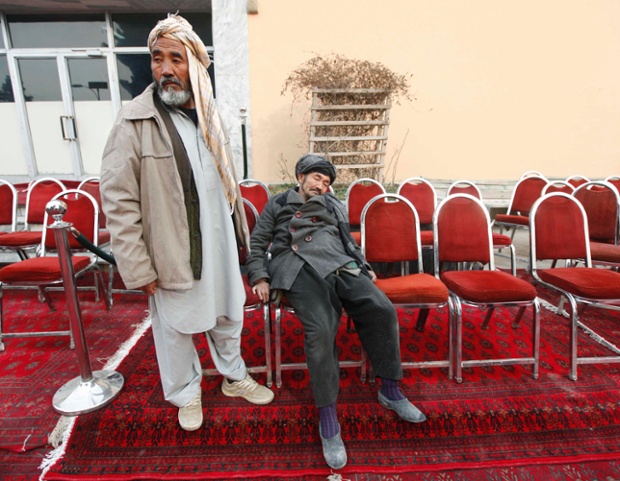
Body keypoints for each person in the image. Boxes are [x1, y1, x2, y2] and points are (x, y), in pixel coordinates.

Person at [100, 14, 274, 433]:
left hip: (220, 245)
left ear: (194, 63)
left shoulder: (214, 116)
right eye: (157, 58)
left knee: (228, 315)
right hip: (172, 252)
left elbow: (228, 187)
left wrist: (240, 242)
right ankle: (186, 392)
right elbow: (119, 200)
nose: (164, 69)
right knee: (176, 328)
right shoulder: (135, 120)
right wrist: (137, 266)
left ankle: (234, 378)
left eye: (175, 59)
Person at [246, 154, 426, 469]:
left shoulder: (333, 206)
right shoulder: (277, 203)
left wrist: (365, 267)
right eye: (317, 178)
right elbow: (258, 243)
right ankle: (328, 415)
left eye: (327, 182)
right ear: (301, 175)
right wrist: (260, 276)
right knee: (321, 328)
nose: (322, 185)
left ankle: (390, 389)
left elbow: (348, 241)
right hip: (296, 265)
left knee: (381, 308)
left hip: (339, 262)